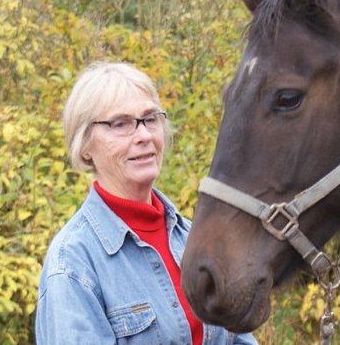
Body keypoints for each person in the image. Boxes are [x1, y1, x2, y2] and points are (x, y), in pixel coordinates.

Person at [35, 62, 257, 344]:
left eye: (150, 119)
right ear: (85, 145)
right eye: (121, 124)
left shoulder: (193, 238)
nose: (144, 136)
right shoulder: (73, 262)